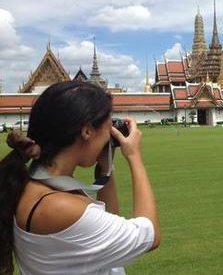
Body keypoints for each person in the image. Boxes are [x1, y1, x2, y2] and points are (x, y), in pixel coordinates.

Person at [0, 81, 160, 275]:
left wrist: (105, 167)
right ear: (86, 131)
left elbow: (109, 219)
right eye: (108, 125)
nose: (109, 134)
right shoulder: (59, 206)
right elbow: (149, 236)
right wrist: (134, 157)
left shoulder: (31, 185)